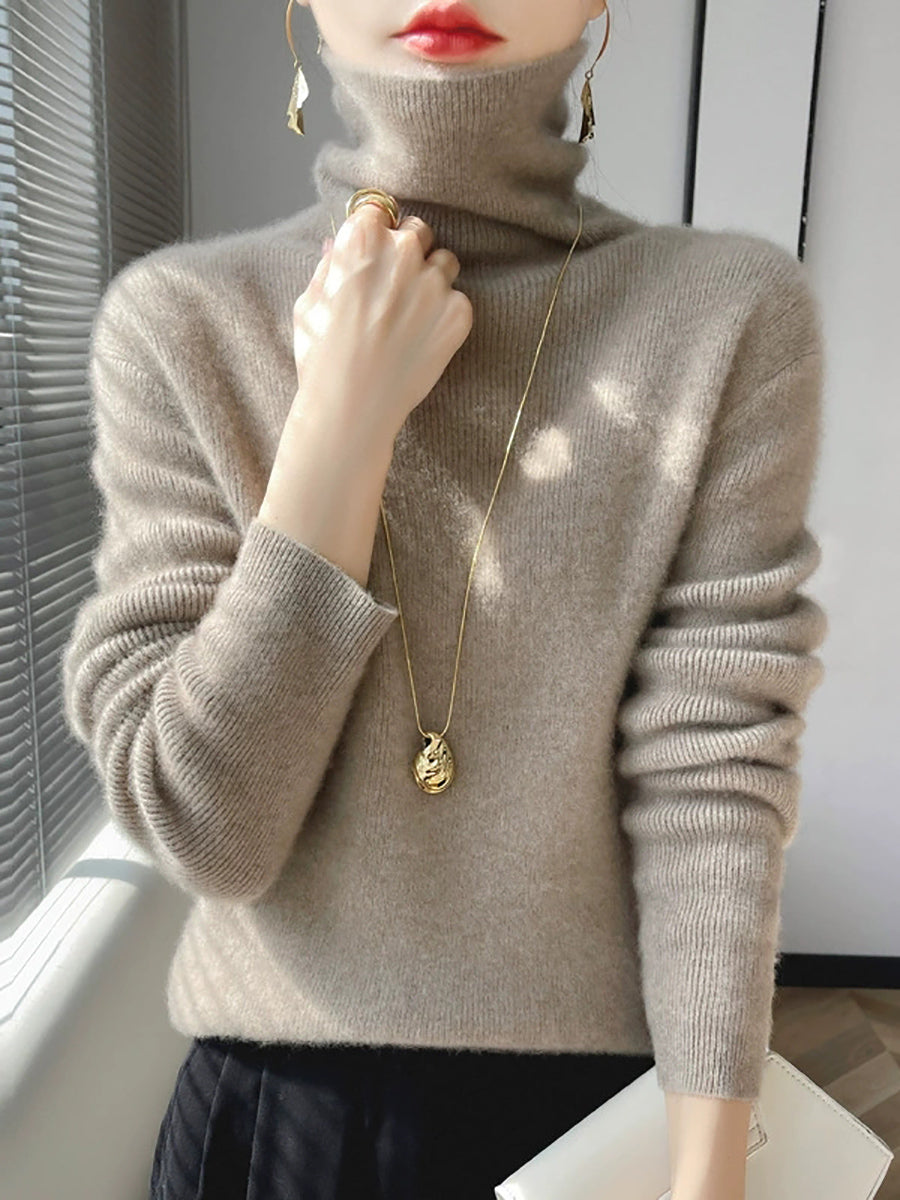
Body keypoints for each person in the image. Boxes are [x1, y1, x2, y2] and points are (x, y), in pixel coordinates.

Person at [60, 1, 828, 1197]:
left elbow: (711, 778)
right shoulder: (180, 325)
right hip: (278, 1134)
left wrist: (710, 1174)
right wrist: (339, 422)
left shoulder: (728, 316)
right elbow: (208, 829)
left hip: (601, 1128)